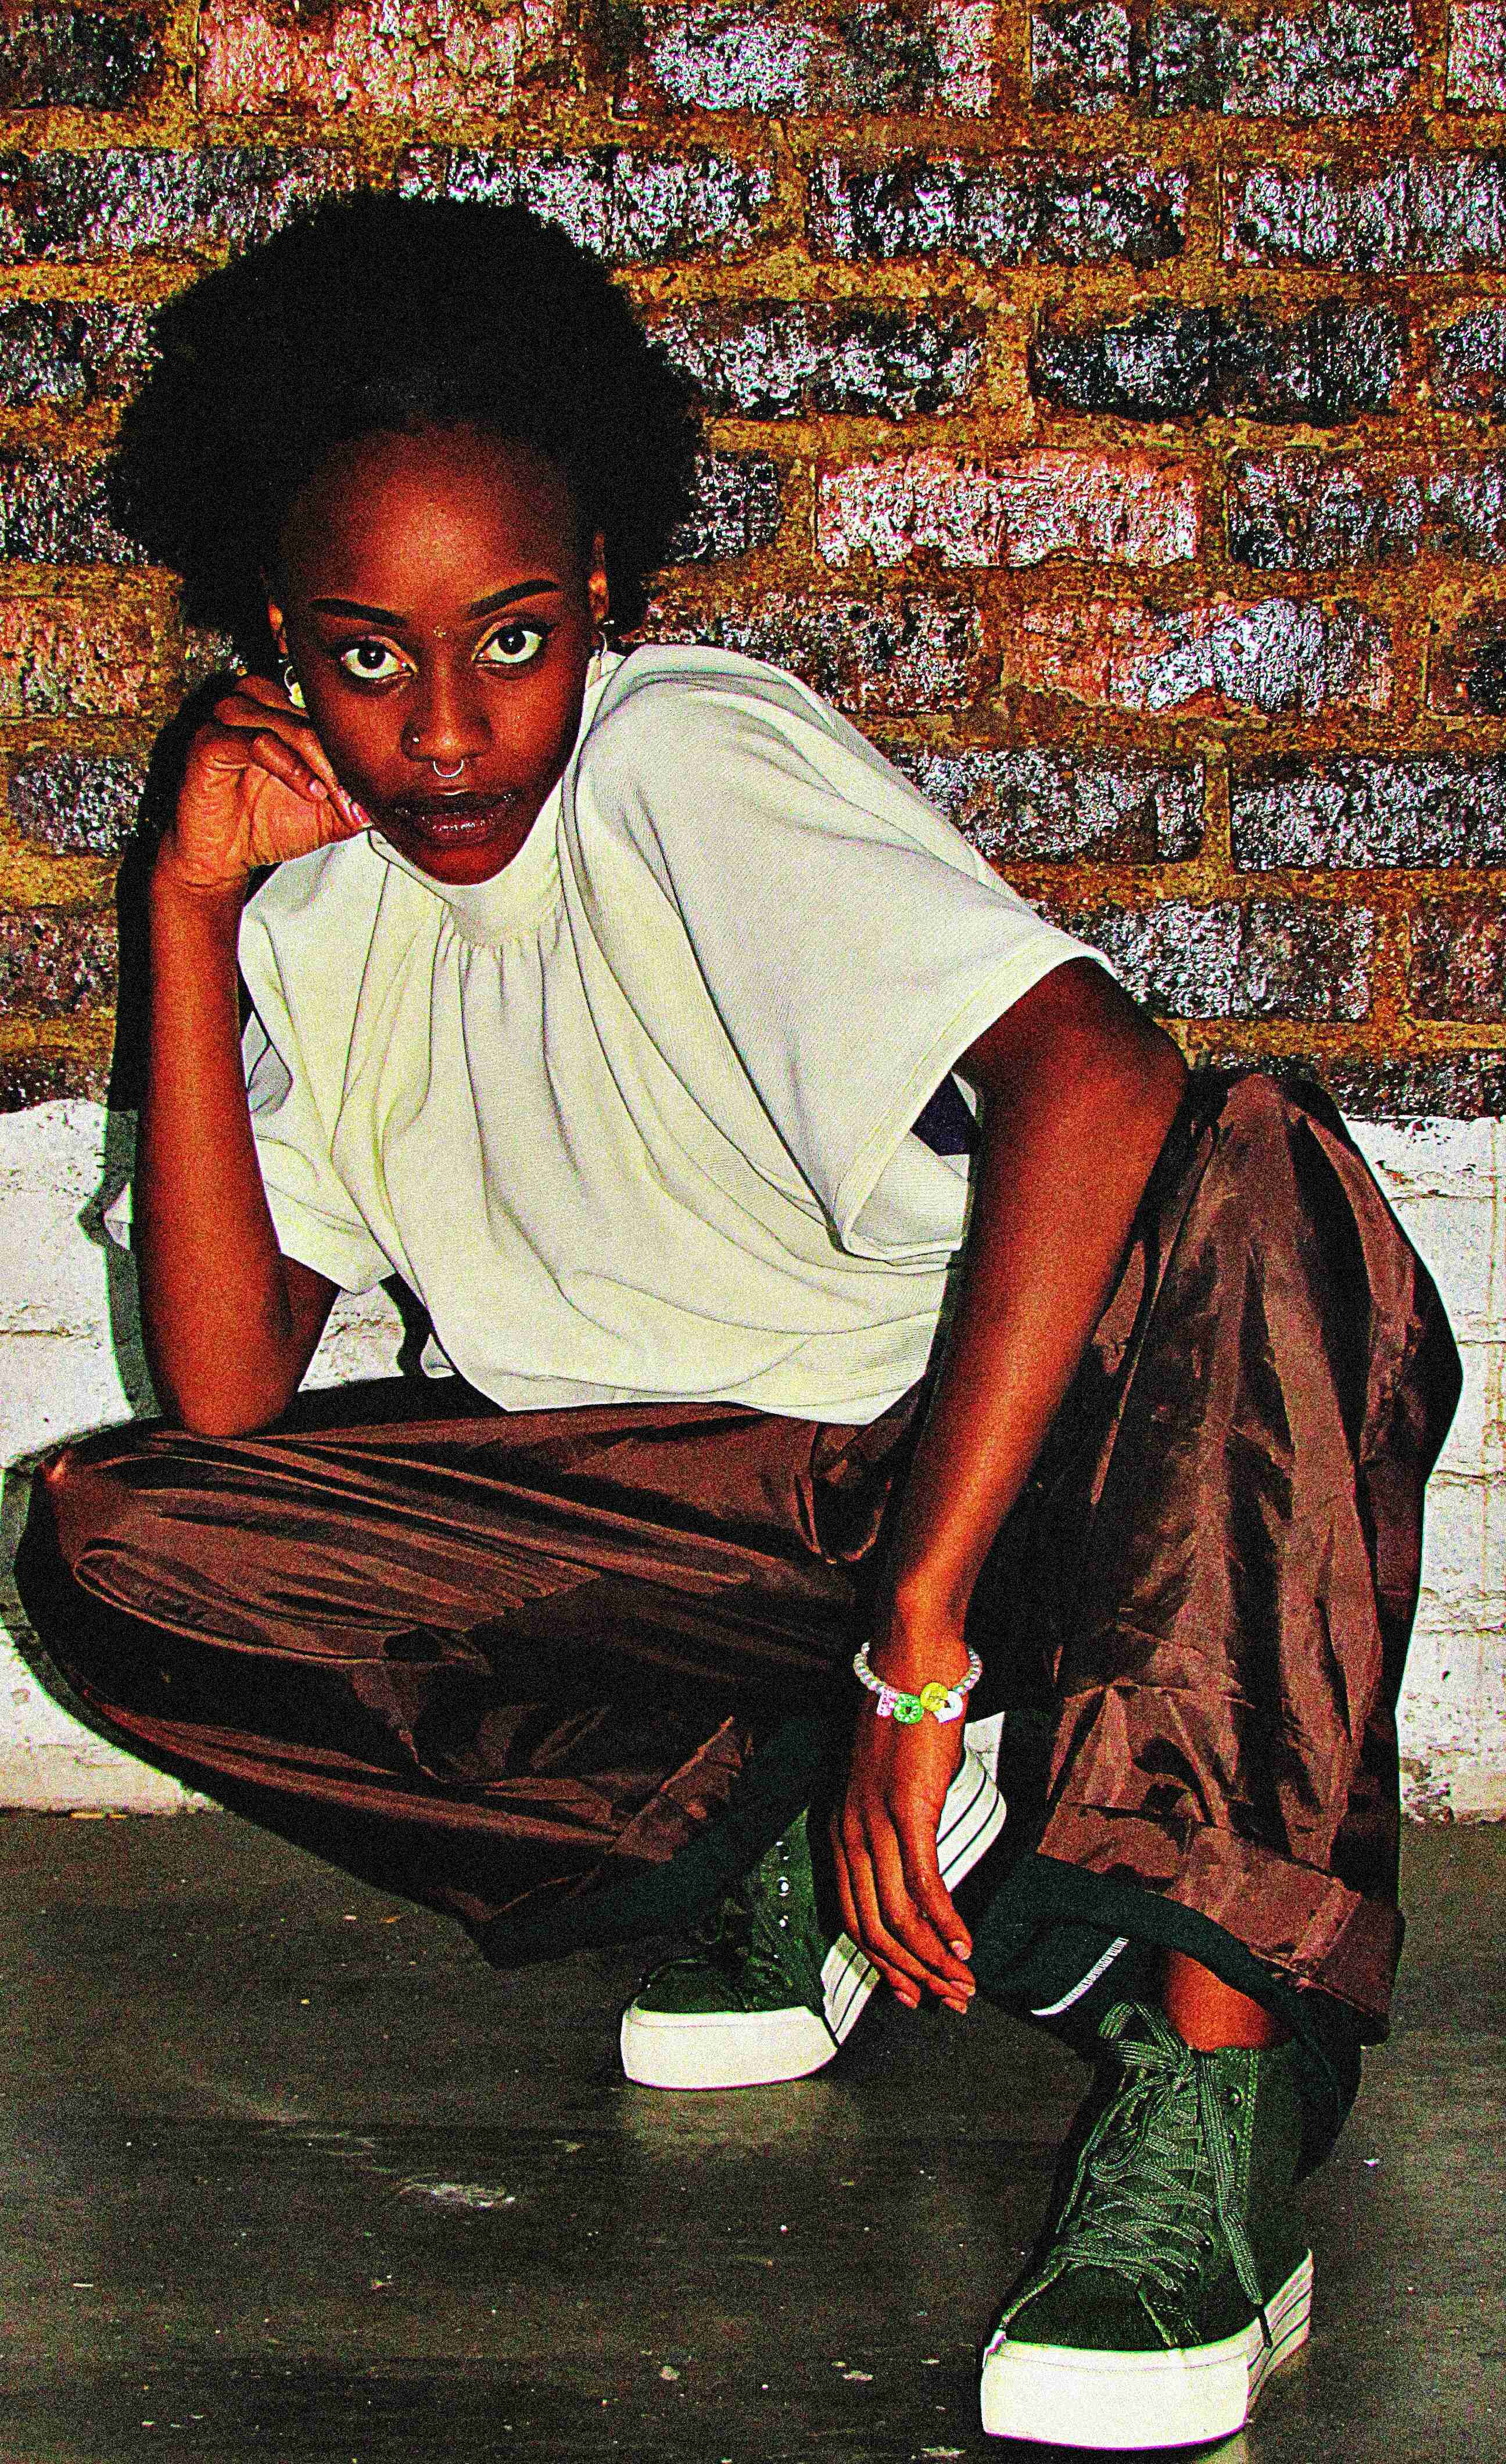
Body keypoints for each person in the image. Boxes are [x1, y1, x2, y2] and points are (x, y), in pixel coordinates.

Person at [15, 194, 1460, 2451]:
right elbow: (225, 1392)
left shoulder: (678, 758)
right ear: (278, 648)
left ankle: (1213, 2086)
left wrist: (923, 1646)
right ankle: (791, 1841)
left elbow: (1096, 1074)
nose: (449, 730)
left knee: (1269, 1168)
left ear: (601, 594)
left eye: (510, 638)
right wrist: (187, 911)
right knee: (122, 1542)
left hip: (1002, 1487)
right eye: (369, 660)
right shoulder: (314, 917)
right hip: (707, 1544)